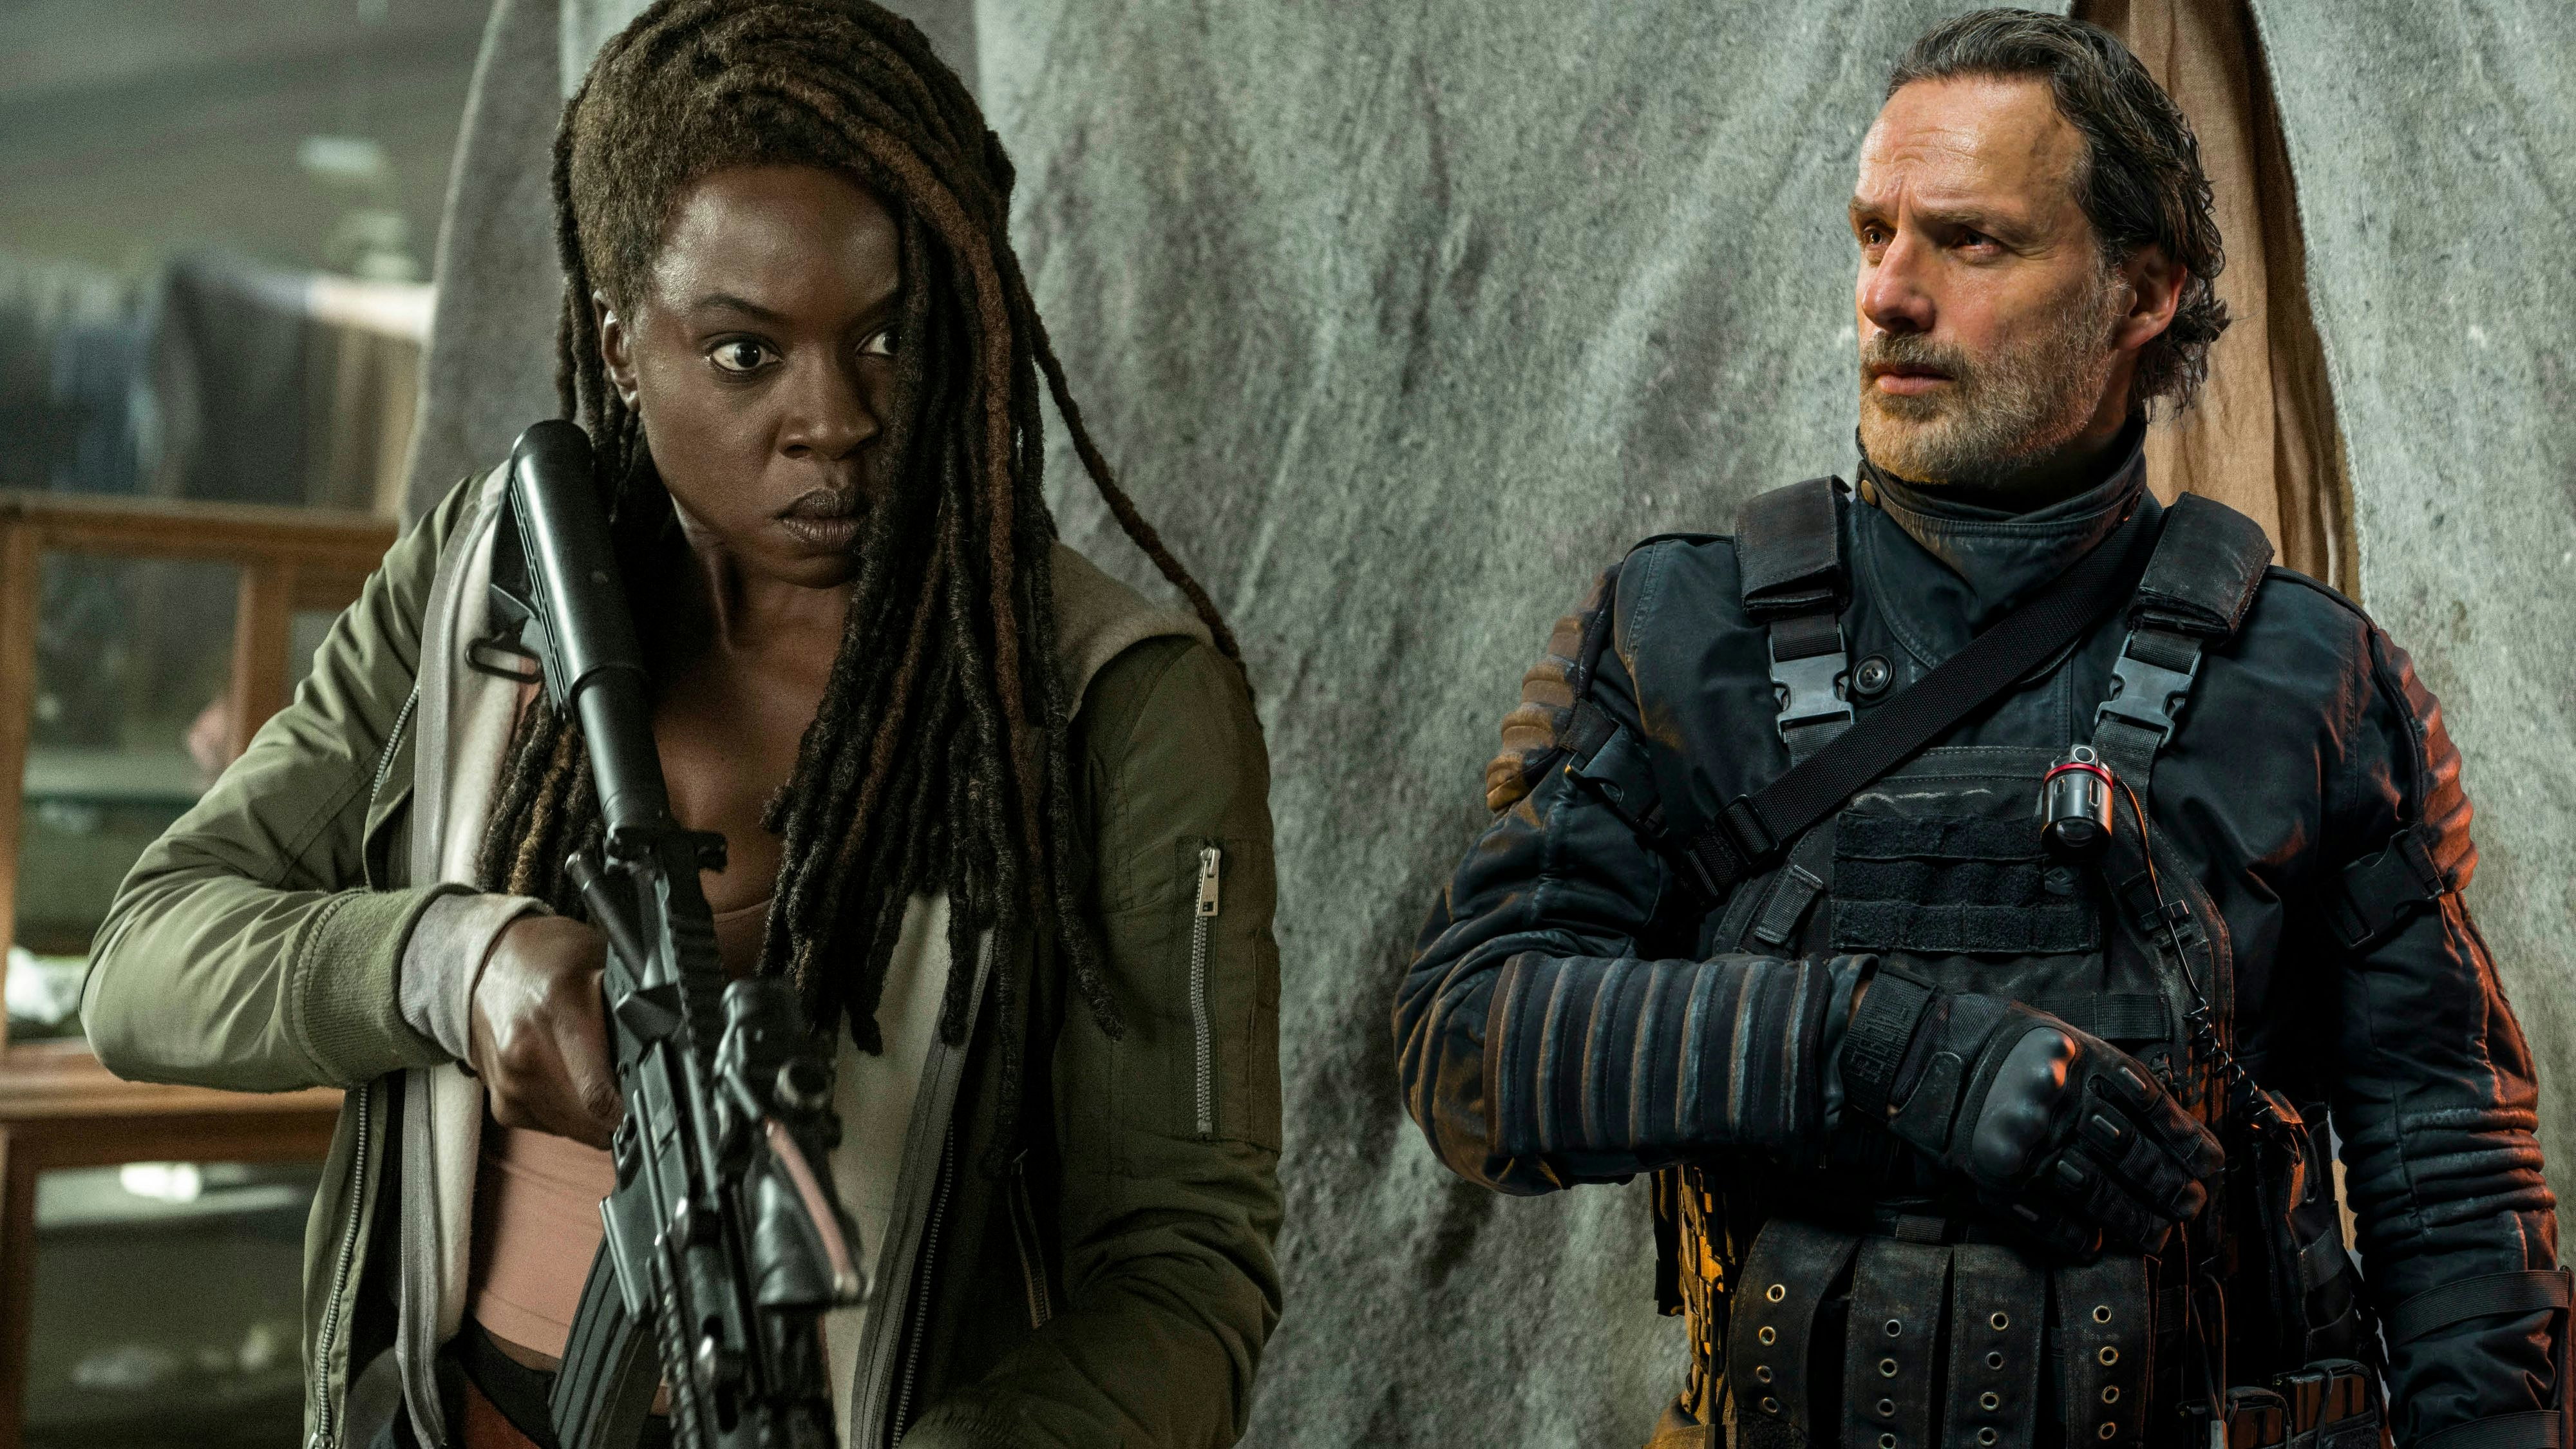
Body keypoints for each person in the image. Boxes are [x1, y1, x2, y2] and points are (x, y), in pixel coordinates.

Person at [82, 3, 1282, 1446]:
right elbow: (144, 961)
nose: (833, 419)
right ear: (619, 343)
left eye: (889, 336)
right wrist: (454, 964)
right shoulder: (486, 587)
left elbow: (1184, 1274)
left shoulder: (1108, 704)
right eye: (743, 353)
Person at [1394, 12, 2562, 1448]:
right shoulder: (1680, 631)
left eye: (1970, 242)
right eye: (1872, 233)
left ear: (2142, 290)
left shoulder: (2311, 678)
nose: (1888, 294)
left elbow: (2451, 1173)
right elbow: (1470, 1040)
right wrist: (1883, 1050)